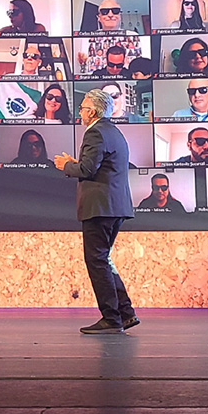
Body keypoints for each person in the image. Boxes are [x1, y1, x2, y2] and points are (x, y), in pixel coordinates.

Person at [53, 89, 138, 334]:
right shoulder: (114, 131)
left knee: (97, 261)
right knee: (104, 259)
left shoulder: (95, 132)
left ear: (92, 112)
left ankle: (111, 318)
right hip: (114, 206)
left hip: (100, 208)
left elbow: (88, 170)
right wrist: (76, 164)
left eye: (82, 108)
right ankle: (125, 314)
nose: (80, 112)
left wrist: (66, 166)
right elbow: (98, 167)